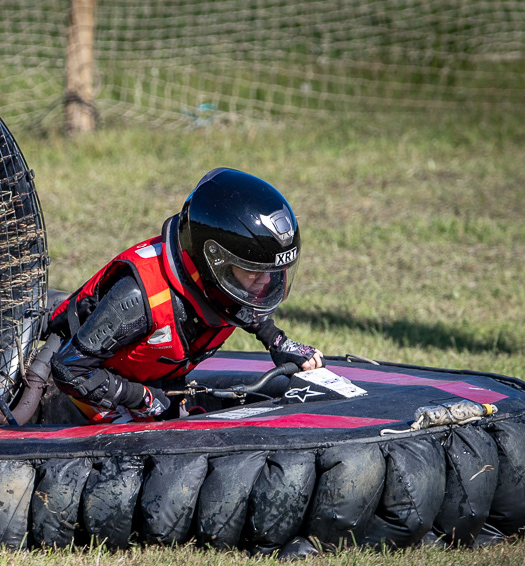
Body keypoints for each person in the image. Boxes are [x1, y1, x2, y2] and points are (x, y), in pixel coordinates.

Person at [46, 168, 323, 423]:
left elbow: (241, 306)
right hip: (89, 396)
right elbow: (69, 368)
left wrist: (277, 342)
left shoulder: (223, 288)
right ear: (214, 262)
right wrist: (139, 397)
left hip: (156, 384)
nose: (266, 283)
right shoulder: (138, 299)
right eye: (254, 271)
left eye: (272, 273)